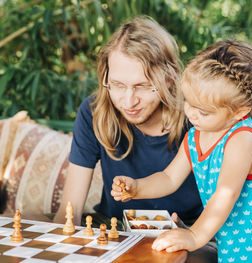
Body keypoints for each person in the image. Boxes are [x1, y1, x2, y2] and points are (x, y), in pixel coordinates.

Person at [111, 40, 252, 262]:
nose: (191, 114)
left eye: (203, 111)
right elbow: (169, 178)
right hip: (235, 250)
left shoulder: (241, 139)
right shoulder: (195, 136)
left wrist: (194, 235)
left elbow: (226, 194)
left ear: (239, 111)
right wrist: (137, 188)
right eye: (188, 102)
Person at [53, 16, 217, 262]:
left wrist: (192, 235)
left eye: (142, 86)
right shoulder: (93, 112)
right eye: (118, 85)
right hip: (114, 229)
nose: (128, 102)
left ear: (169, 78)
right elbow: (70, 209)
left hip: (189, 234)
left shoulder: (198, 119)